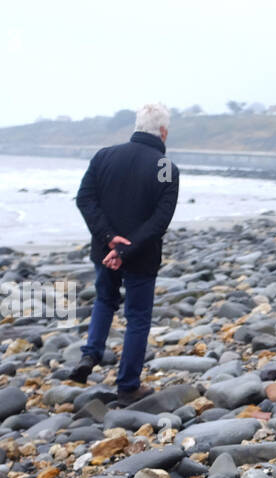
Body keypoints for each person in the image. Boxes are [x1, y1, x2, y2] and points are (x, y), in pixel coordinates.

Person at [70, 103, 181, 403]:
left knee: (105, 301)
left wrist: (109, 239)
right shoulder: (163, 167)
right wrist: (126, 247)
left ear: (136, 126)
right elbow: (160, 219)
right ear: (163, 132)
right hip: (141, 255)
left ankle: (90, 354)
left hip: (105, 251)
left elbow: (85, 199)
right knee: (137, 318)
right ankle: (128, 385)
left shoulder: (105, 156)